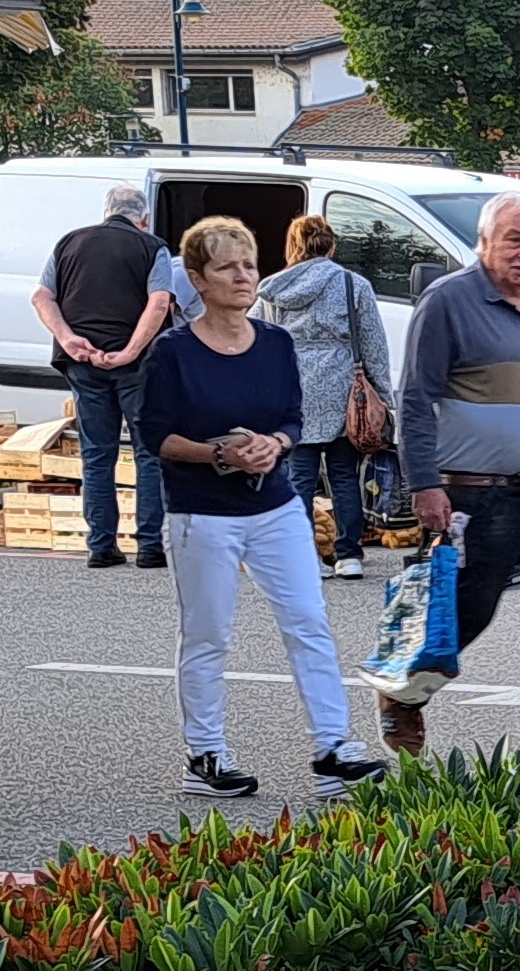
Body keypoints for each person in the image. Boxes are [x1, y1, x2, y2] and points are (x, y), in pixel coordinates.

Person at [136, 217, 387, 803]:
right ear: (197, 278)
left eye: (248, 264)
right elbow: (155, 437)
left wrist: (277, 444)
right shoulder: (172, 352)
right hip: (203, 512)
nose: (243, 276)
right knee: (208, 635)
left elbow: (292, 417)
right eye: (227, 266)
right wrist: (219, 454)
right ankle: (205, 754)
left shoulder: (276, 342)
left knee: (310, 623)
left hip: (275, 506)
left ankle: (333, 750)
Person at [394, 193, 520, 753]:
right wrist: (425, 484)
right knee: (465, 611)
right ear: (484, 243)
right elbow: (415, 399)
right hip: (476, 495)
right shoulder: (447, 301)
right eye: (514, 240)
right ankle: (406, 695)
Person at [29, 181, 180, 569]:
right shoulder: (152, 247)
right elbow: (159, 300)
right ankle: (150, 546)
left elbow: (42, 297)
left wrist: (69, 338)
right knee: (148, 452)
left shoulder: (69, 243)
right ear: (143, 220)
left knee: (97, 454)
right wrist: (131, 350)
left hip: (82, 363)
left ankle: (101, 546)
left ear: (105, 212)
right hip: (138, 366)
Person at [255, 214, 393, 582]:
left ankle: (304, 557)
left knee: (299, 477)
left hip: (293, 388)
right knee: (344, 475)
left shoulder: (271, 289)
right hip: (344, 388)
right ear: (331, 245)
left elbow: (256, 340)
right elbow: (373, 342)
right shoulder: (352, 284)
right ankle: (349, 555)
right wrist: (383, 391)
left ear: (293, 247)